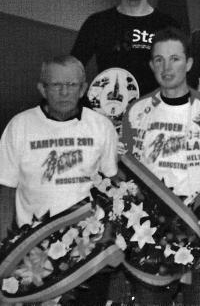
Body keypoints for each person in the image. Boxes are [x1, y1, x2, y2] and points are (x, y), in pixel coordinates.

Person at [120, 27, 200, 305]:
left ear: (189, 63)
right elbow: (125, 177)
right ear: (151, 65)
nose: (166, 67)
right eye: (159, 60)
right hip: (150, 235)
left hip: (199, 233)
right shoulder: (136, 112)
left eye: (174, 59)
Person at [0, 56, 117, 303]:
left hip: (87, 250)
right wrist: (4, 248)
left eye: (71, 84)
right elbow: (6, 190)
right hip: (33, 250)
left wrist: (107, 240)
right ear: (42, 88)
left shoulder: (101, 126)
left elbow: (112, 190)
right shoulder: (19, 126)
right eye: (55, 85)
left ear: (83, 89)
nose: (64, 92)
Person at [72, 0, 180, 95]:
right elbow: (71, 72)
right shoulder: (97, 23)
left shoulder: (169, 25)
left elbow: (180, 77)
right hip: (110, 106)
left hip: (155, 108)